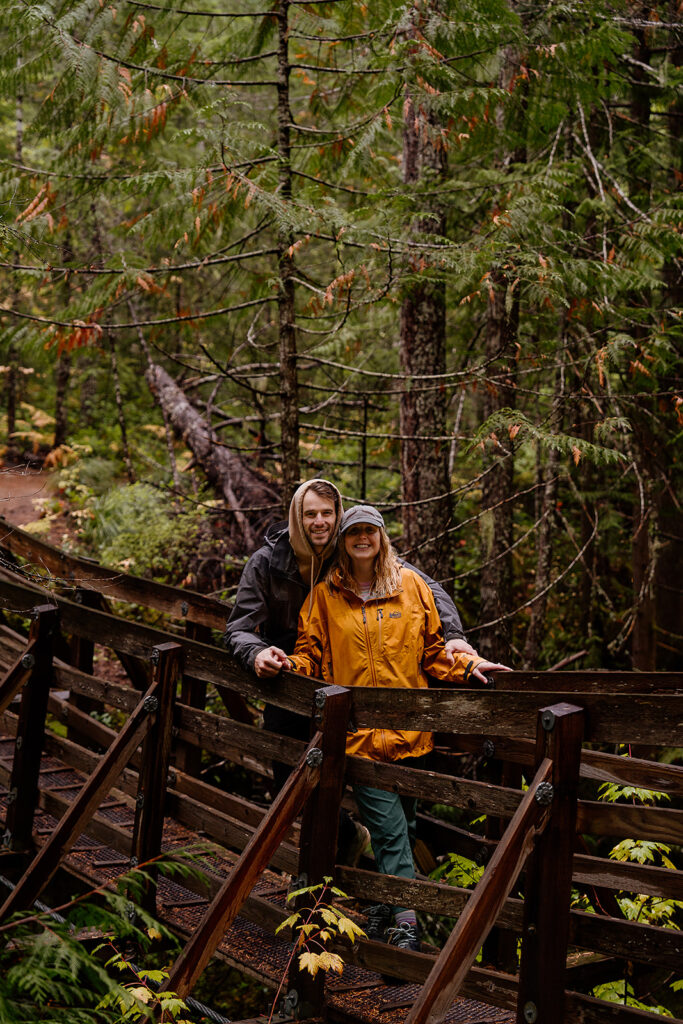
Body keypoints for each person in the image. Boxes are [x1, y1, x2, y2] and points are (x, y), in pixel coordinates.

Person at [273, 505, 510, 951]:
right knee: (390, 830)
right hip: (359, 738)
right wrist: (286, 663)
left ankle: (380, 908)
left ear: (382, 537)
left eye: (370, 531)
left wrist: (470, 666)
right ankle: (406, 923)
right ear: (342, 542)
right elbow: (311, 655)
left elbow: (434, 652)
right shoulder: (324, 596)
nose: (362, 538)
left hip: (413, 735)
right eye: (354, 532)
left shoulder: (411, 586)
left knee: (404, 830)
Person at [224, 480, 479, 866]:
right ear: (297, 516)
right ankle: (347, 842)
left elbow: (424, 586)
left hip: (346, 686)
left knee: (358, 782)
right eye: (310, 514)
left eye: (327, 513)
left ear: (338, 516)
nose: (320, 521)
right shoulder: (267, 562)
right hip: (291, 678)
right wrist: (256, 652)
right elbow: (238, 627)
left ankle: (332, 879)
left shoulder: (352, 547)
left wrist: (455, 638)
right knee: (290, 787)